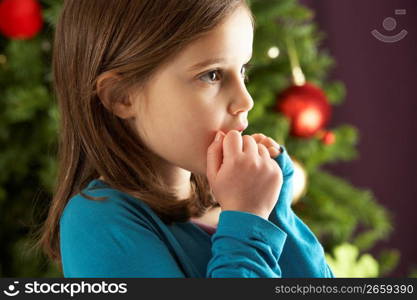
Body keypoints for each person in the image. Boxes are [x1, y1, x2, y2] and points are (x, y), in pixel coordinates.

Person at [36, 0, 334, 278]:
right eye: (212, 75)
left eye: (242, 70)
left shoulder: (228, 208)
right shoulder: (97, 221)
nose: (245, 100)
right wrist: (248, 223)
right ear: (121, 96)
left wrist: (274, 211)